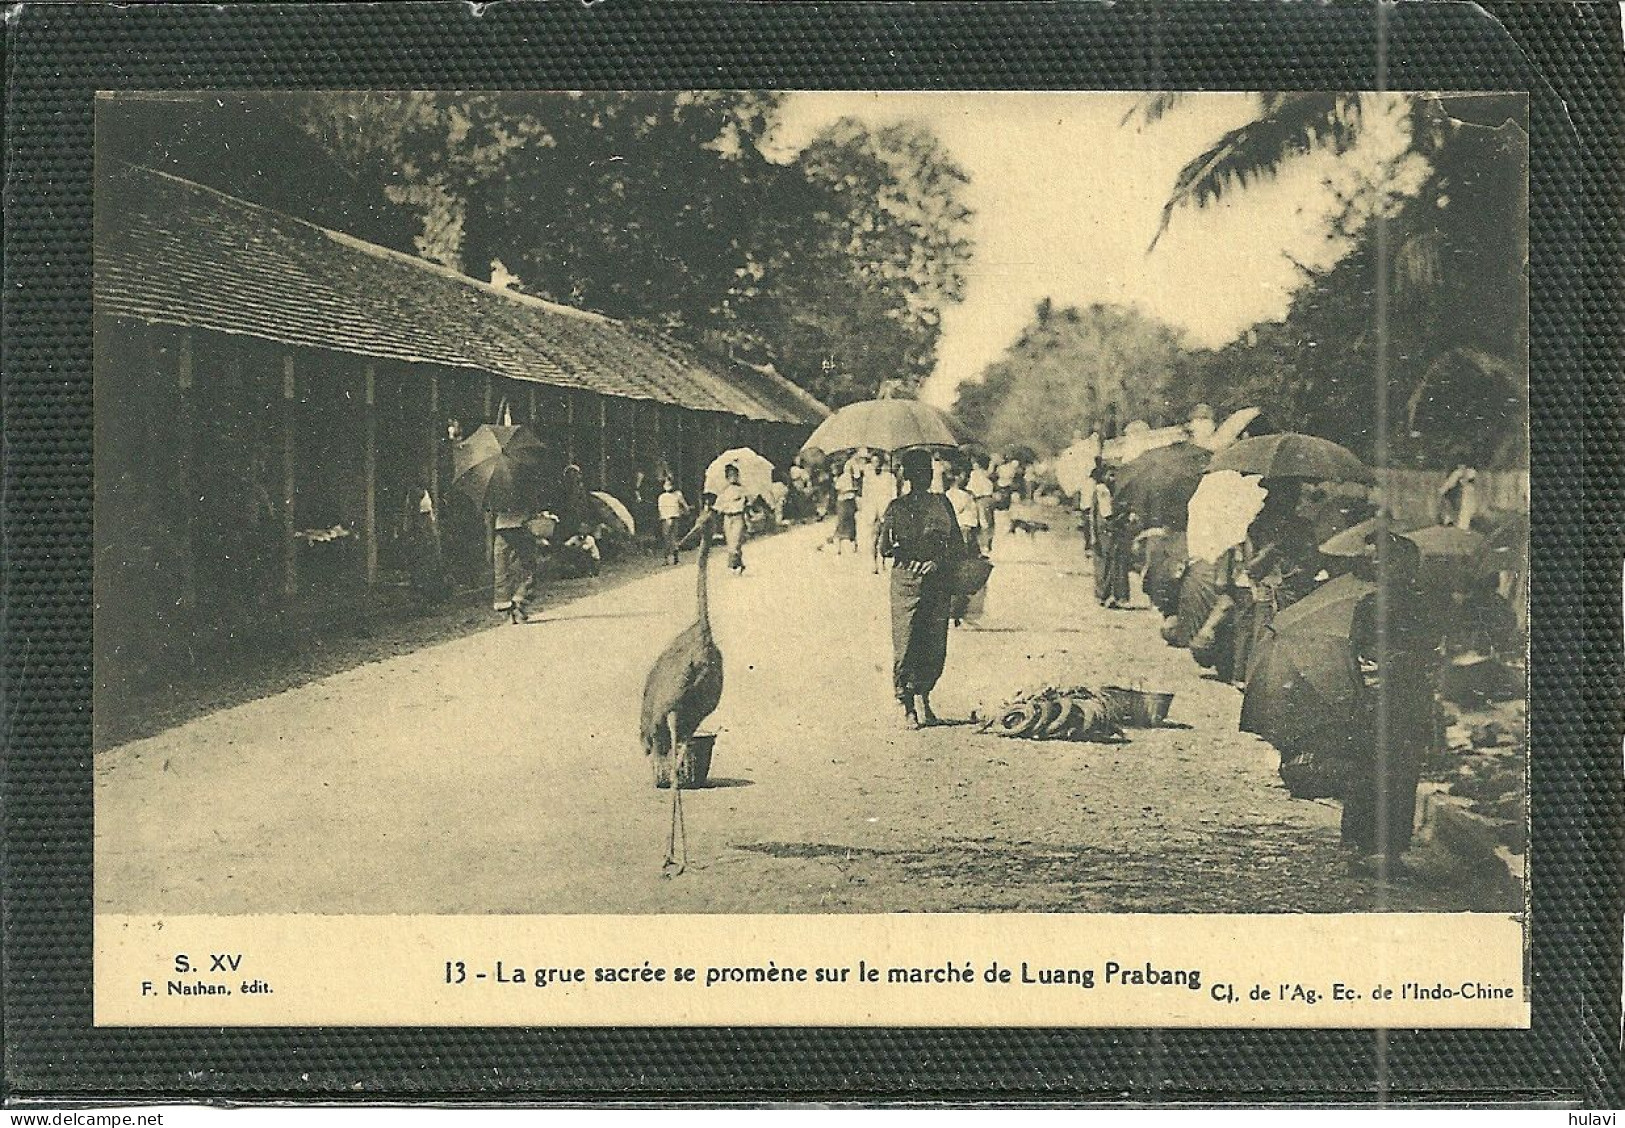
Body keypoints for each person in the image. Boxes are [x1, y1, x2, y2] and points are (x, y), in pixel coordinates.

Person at [1341, 532, 1438, 872]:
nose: (1380, 564)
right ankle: (1362, 847)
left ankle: (1391, 850)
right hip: (1377, 695)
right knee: (1369, 769)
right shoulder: (1369, 603)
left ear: (1407, 565)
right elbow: (1354, 650)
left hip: (1406, 696)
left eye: (1389, 559)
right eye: (1376, 559)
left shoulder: (1420, 604)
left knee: (1400, 772)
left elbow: (1430, 648)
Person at [878, 450, 966, 728]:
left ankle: (924, 698)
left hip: (936, 581)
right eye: (917, 473)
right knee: (906, 642)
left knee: (934, 643)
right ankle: (907, 706)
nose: (922, 478)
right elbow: (883, 548)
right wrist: (899, 546)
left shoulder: (943, 504)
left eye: (925, 473)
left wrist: (937, 562)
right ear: (906, 476)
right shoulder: (895, 508)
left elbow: (958, 545)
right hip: (905, 581)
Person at [943, 465, 982, 627]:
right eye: (963, 475)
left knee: (966, 574)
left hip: (969, 534)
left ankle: (960, 613)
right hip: (961, 534)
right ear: (955, 477)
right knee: (960, 574)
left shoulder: (967, 495)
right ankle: (955, 614)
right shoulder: (953, 496)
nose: (966, 479)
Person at [1092, 464, 1132, 608]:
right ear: (1103, 476)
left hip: (1108, 530)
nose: (1112, 478)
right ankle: (1106, 595)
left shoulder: (1109, 490)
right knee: (1107, 563)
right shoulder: (1101, 490)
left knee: (1110, 563)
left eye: (1114, 475)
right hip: (1105, 530)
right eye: (1110, 475)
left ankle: (1109, 595)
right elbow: (1102, 514)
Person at [492, 505, 540, 622]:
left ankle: (506, 609)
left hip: (501, 528)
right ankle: (520, 602)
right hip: (522, 526)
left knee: (502, 568)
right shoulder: (523, 488)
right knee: (528, 566)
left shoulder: (496, 490)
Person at [860, 452, 899, 575]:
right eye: (873, 462)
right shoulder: (868, 478)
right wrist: (865, 511)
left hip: (885, 510)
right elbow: (865, 495)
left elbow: (894, 495)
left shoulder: (889, 477)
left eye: (877, 462)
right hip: (872, 511)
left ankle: (882, 562)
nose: (875, 465)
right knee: (873, 537)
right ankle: (874, 563)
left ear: (882, 463)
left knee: (884, 537)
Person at [714, 463, 750, 575]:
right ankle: (739, 564)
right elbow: (718, 504)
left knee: (736, 542)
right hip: (727, 518)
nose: (732, 477)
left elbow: (748, 501)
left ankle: (733, 564)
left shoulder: (742, 489)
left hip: (738, 517)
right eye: (729, 475)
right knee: (730, 543)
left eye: (734, 475)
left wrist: (744, 503)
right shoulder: (724, 491)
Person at [829, 454, 861, 554]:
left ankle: (841, 547)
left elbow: (838, 489)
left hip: (844, 501)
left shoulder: (844, 477)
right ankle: (852, 545)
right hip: (847, 501)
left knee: (842, 523)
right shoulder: (844, 476)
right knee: (849, 523)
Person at [656, 476, 691, 566]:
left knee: (672, 538)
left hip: (672, 517)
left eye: (670, 483)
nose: (668, 485)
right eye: (666, 484)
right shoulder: (663, 496)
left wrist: (684, 511)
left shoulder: (676, 494)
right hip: (667, 518)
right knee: (668, 538)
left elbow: (684, 505)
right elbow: (661, 509)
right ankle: (669, 559)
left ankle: (673, 558)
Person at [967, 455, 997, 555]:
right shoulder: (987, 474)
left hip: (980, 499)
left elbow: (970, 488)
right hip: (989, 499)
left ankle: (983, 546)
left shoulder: (974, 474)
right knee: (990, 523)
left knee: (982, 523)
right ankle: (988, 544)